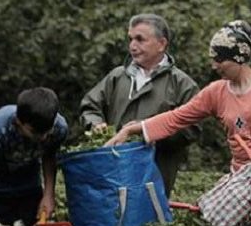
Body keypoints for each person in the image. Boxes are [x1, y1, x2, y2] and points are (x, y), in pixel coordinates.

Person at [105, 19, 251, 206]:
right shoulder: (216, 92)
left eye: (219, 59)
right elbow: (177, 117)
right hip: (244, 177)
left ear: (238, 57)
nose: (214, 65)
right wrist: (134, 129)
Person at [80, 13, 200, 196]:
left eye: (140, 39)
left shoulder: (182, 84)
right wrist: (95, 123)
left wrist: (148, 132)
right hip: (112, 173)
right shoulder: (118, 76)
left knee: (147, 221)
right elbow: (90, 106)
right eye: (130, 39)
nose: (132, 46)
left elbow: (191, 129)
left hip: (154, 176)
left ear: (161, 44)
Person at [0, 87, 68, 226]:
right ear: (19, 122)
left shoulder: (59, 128)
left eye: (47, 131)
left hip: (27, 185)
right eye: (35, 132)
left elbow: (49, 157)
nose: (43, 138)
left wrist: (48, 194)